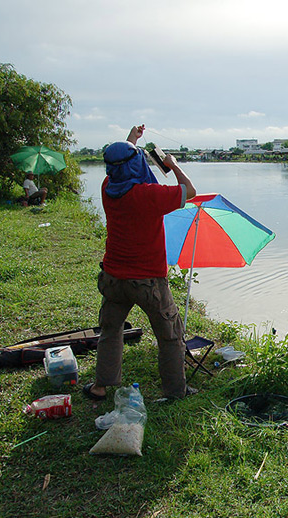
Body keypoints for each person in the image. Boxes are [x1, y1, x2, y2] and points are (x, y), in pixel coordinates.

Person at [83, 125, 197, 401]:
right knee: (170, 336)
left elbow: (121, 163)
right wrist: (173, 165)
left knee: (110, 332)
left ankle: (100, 386)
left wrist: (132, 140)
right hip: (149, 282)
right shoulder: (148, 195)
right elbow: (189, 191)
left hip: (113, 277)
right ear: (136, 164)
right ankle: (175, 391)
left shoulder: (108, 188)